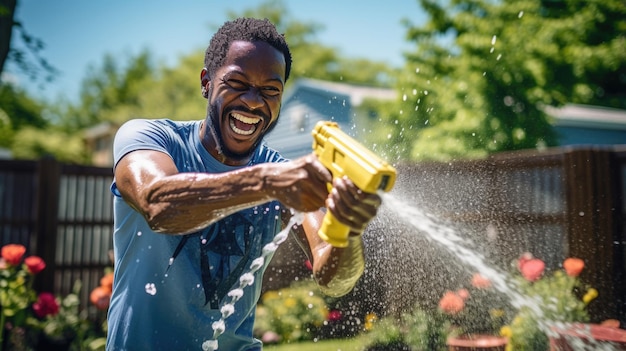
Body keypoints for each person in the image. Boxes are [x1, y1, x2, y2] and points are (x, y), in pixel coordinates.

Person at [107, 17, 381, 351]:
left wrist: (347, 230)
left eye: (270, 91)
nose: (253, 101)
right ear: (206, 82)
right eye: (237, 83)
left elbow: (333, 279)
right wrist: (268, 182)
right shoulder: (149, 138)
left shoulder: (282, 173)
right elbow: (158, 204)